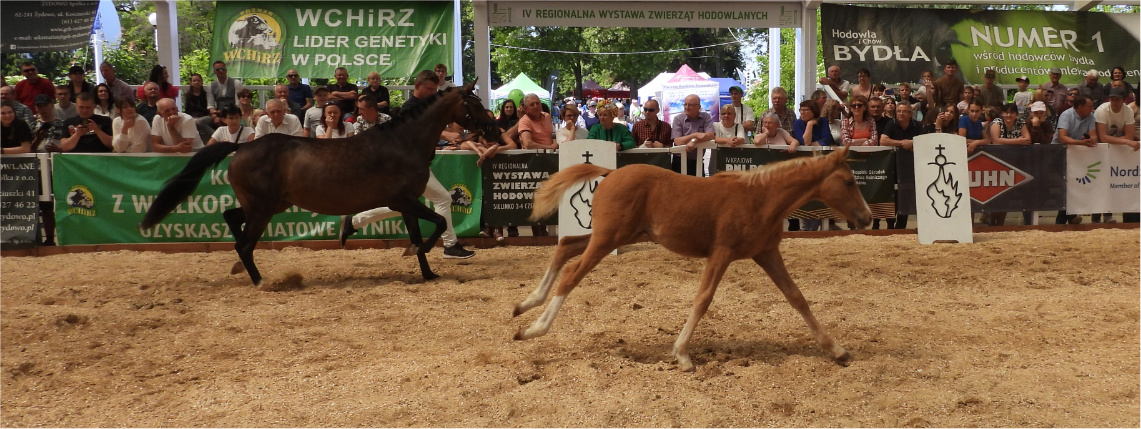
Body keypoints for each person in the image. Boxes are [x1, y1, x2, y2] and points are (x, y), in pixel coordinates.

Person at [340, 69, 476, 258]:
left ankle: (355, 221)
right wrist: (445, 134)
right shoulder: (410, 107)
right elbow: (414, 134)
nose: (433, 93)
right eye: (429, 88)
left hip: (417, 166)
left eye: (435, 89)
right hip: (409, 168)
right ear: (418, 86)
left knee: (405, 204)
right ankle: (450, 245)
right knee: (439, 199)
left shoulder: (426, 106)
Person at [1053, 94, 1099, 225]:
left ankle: (1068, 218)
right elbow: (1062, 138)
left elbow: (1094, 135)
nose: (1092, 108)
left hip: (1077, 155)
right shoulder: (1066, 115)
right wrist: (1081, 143)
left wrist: (1091, 140)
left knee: (1073, 185)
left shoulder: (1090, 116)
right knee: (1064, 186)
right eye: (1089, 106)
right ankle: (1065, 219)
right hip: (1059, 154)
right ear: (1080, 107)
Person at [879, 102, 925, 229]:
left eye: (904, 111)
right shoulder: (891, 123)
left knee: (906, 196)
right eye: (898, 111)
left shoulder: (917, 125)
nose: (900, 114)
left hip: (910, 168)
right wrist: (903, 143)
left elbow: (924, 142)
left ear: (910, 114)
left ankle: (901, 226)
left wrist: (913, 142)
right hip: (892, 167)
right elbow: (883, 141)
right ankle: (889, 225)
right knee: (892, 197)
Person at [671, 94, 714, 176]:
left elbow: (710, 135)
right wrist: (694, 135)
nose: (687, 107)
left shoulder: (706, 117)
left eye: (690, 105)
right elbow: (677, 141)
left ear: (699, 107)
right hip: (679, 161)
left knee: (699, 187)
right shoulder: (678, 119)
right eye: (685, 104)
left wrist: (694, 140)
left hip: (698, 161)